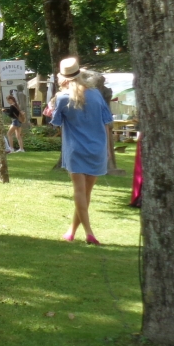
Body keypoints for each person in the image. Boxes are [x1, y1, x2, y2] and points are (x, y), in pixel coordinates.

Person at [51, 57, 113, 245]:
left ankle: (88, 232)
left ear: (63, 77)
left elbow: (56, 123)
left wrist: (53, 106)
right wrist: (108, 149)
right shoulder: (96, 94)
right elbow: (107, 122)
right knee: (86, 193)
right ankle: (71, 231)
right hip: (97, 147)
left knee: (79, 192)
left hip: (75, 148)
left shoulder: (62, 98)